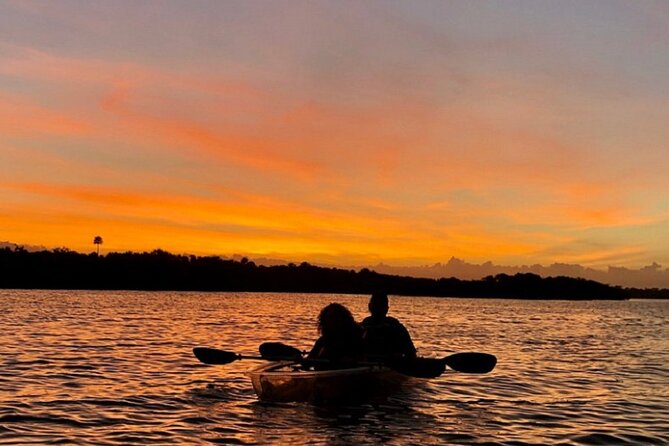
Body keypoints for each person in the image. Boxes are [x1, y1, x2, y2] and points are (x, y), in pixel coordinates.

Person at [307, 303, 364, 368]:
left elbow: (361, 357)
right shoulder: (322, 341)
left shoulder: (356, 339)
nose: (332, 322)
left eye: (335, 318)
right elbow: (308, 362)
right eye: (329, 319)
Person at [362, 293, 417, 360]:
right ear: (370, 306)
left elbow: (411, 354)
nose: (378, 309)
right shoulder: (363, 327)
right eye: (376, 305)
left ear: (386, 309)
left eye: (381, 306)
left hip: (391, 365)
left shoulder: (396, 328)